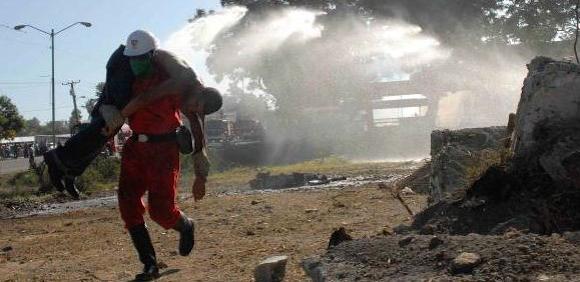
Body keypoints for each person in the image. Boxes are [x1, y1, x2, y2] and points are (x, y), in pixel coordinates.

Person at [105, 30, 222, 281]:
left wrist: (201, 176)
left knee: (161, 210)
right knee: (128, 206)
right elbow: (118, 98)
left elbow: (197, 127)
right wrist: (109, 113)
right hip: (136, 147)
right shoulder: (129, 74)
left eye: (141, 58)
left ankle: (185, 225)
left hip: (164, 150)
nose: (136, 63)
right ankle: (149, 264)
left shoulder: (182, 87)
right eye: (133, 59)